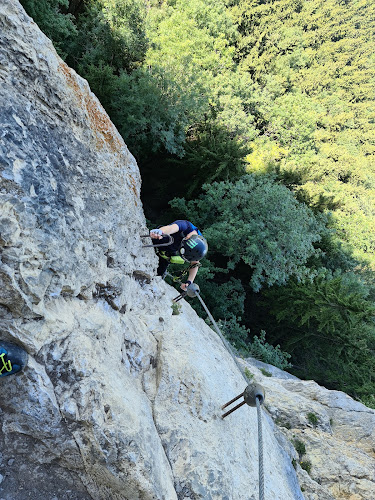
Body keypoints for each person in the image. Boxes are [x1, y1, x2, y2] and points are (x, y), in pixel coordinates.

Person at [150, 220, 208, 291]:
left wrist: (189, 281)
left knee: (158, 275)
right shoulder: (185, 226)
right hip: (164, 237)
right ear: (186, 239)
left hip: (169, 251)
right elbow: (171, 228)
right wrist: (160, 232)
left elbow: (195, 263)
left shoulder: (199, 247)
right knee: (162, 238)